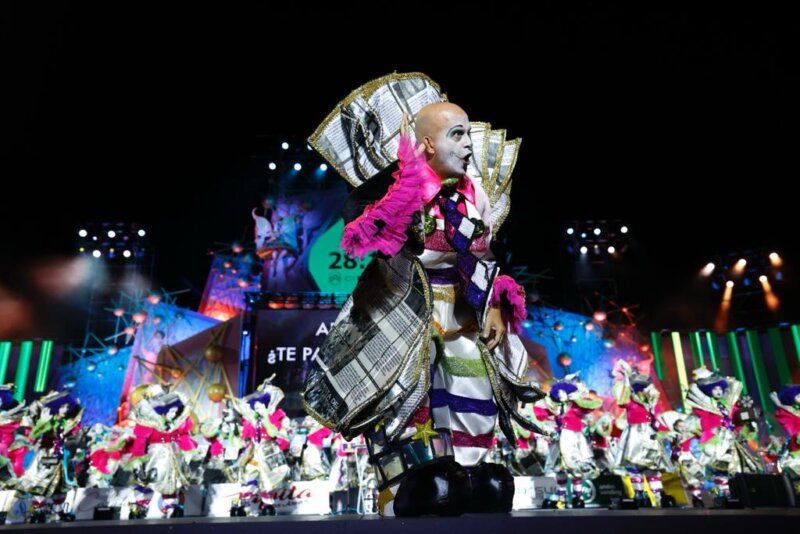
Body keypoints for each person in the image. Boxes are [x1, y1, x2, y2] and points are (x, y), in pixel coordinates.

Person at [303, 73, 543, 516]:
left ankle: (468, 472)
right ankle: (405, 484)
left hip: (462, 311)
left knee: (472, 384)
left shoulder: (473, 195)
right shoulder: (398, 193)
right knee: (407, 393)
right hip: (405, 312)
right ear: (428, 144)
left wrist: (494, 304)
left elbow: (485, 254)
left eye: (468, 134)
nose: (469, 145)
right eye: (457, 135)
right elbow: (366, 234)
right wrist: (402, 196)